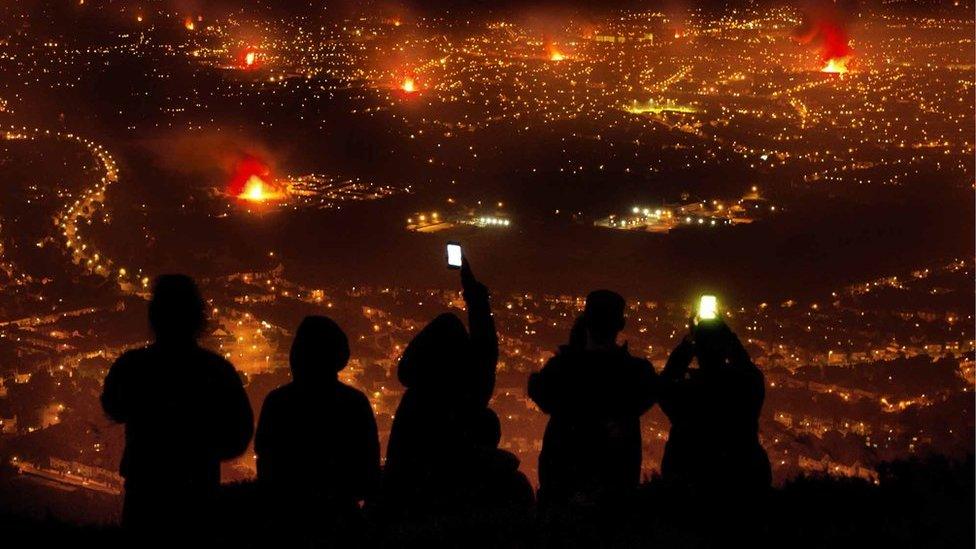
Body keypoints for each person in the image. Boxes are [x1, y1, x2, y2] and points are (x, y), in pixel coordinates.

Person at [101, 275, 254, 537]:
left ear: (154, 317)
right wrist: (201, 448)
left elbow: (113, 406)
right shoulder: (217, 372)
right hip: (199, 496)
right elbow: (238, 437)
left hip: (145, 497)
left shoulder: (133, 366)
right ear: (198, 318)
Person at [382, 256, 498, 519]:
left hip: (410, 511)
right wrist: (473, 290)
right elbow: (485, 343)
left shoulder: (416, 402)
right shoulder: (472, 392)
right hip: (457, 509)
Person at [254, 315, 380, 542]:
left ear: (297, 355)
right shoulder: (354, 403)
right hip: (342, 524)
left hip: (287, 525)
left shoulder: (278, 403)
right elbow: (367, 475)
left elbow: (267, 466)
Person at [528, 290, 658, 510]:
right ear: (621, 324)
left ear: (585, 321)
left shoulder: (561, 371)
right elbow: (654, 391)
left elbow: (540, 392)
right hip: (615, 496)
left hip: (562, 493)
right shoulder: (636, 374)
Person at [658, 317, 771, 499]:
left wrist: (688, 342)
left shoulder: (687, 390)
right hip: (742, 481)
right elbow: (748, 369)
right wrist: (727, 336)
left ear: (697, 351)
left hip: (688, 483)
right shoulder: (744, 386)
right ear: (725, 348)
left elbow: (665, 381)